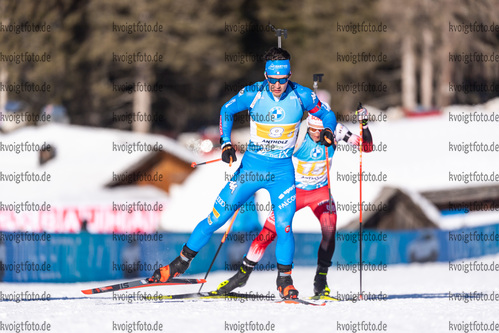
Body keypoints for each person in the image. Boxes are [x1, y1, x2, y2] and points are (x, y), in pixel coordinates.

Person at [149, 47, 337, 299]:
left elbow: (327, 114)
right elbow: (226, 110)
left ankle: (284, 280)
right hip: (250, 170)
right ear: (265, 75)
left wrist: (328, 130)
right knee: (216, 218)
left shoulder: (302, 95)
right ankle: (179, 264)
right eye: (273, 80)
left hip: (282, 174)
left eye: (283, 80)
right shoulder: (254, 93)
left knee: (284, 227)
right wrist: (226, 142)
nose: (278, 85)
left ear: (289, 75)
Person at [216, 111, 373, 297]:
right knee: (268, 233)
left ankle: (321, 280)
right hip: (294, 192)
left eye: (321, 131)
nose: (317, 134)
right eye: (313, 130)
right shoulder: (298, 135)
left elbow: (366, 148)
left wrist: (364, 125)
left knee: (329, 231)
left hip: (320, 191)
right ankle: (242, 275)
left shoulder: (337, 131)